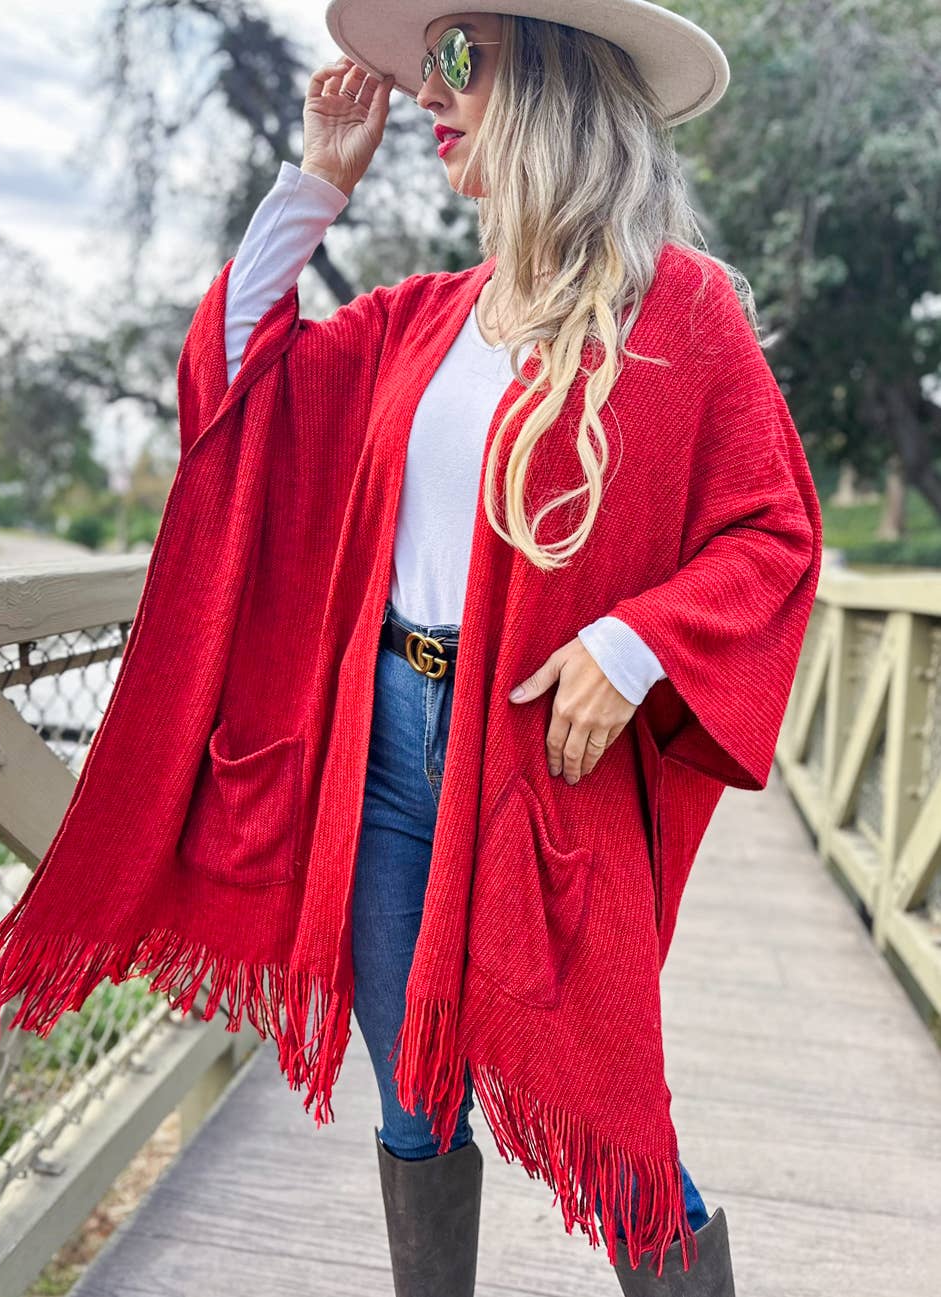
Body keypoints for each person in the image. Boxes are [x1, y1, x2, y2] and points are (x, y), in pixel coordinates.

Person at [222, 5, 746, 1293]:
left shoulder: (679, 306)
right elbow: (243, 376)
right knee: (411, 1099)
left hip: (543, 770)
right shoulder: (424, 318)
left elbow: (768, 532)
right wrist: (316, 184)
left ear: (555, 79)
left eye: (458, 59)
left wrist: (636, 644)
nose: (425, 88)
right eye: (426, 61)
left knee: (614, 1121)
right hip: (387, 752)